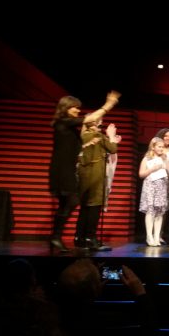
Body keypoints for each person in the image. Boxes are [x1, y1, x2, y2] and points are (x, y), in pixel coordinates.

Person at [48, 90, 120, 253]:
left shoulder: (69, 127)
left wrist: (88, 144)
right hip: (62, 170)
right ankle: (56, 236)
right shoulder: (63, 122)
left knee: (67, 204)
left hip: (67, 168)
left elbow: (76, 145)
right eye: (75, 107)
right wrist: (109, 104)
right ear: (66, 108)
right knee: (71, 201)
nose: (78, 110)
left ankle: (55, 237)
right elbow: (90, 120)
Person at [76, 117, 120, 251]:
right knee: (94, 208)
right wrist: (111, 136)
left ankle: (80, 238)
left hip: (84, 178)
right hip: (95, 178)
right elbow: (113, 149)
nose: (100, 126)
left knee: (85, 209)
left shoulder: (82, 136)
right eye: (99, 123)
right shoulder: (97, 136)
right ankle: (91, 239)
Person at [138, 137, 169, 246]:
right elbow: (141, 174)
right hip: (151, 186)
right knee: (150, 211)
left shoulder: (164, 158)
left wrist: (166, 167)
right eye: (159, 147)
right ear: (153, 147)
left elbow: (168, 171)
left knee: (159, 212)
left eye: (162, 147)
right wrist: (152, 169)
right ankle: (149, 236)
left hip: (162, 186)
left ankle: (156, 236)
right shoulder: (147, 159)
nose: (161, 149)